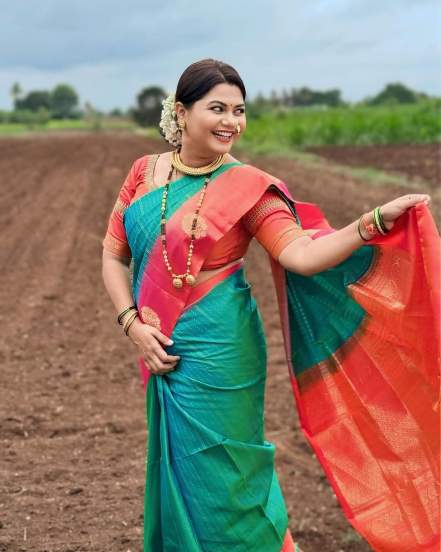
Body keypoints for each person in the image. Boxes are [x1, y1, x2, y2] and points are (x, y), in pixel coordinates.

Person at [101, 59, 440, 552]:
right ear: (182, 112)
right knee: (177, 469)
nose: (231, 122)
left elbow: (301, 254)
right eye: (217, 108)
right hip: (159, 345)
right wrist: (131, 324)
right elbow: (113, 257)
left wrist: (370, 222)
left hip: (222, 348)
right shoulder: (143, 173)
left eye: (239, 110)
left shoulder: (249, 187)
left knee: (231, 475)